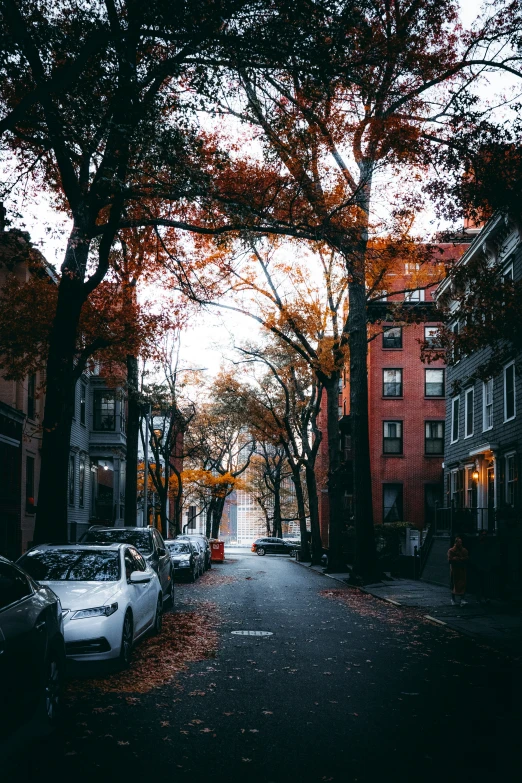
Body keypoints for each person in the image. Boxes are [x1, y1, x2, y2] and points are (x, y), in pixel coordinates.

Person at [471, 530, 492, 604]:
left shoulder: (486, 544)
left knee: (485, 583)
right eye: (483, 535)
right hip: (479, 566)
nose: (484, 536)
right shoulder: (478, 544)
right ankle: (480, 598)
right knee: (480, 583)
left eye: (485, 535)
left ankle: (485, 597)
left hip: (484, 566)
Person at [447, 536, 469, 606]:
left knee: (463, 583)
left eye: (461, 542)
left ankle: (462, 599)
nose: (460, 543)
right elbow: (450, 560)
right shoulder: (451, 550)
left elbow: (466, 558)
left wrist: (458, 559)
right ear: (455, 542)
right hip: (455, 569)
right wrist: (457, 559)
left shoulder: (464, 550)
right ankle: (453, 599)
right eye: (459, 542)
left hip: (462, 569)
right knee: (454, 583)